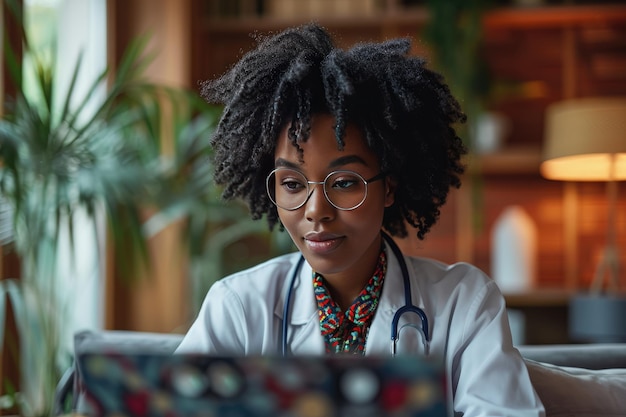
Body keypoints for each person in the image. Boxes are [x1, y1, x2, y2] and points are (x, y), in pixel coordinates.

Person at [177, 23, 544, 416]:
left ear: (389, 186)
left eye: (345, 182)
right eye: (291, 183)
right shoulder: (238, 307)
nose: (316, 210)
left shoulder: (463, 303)